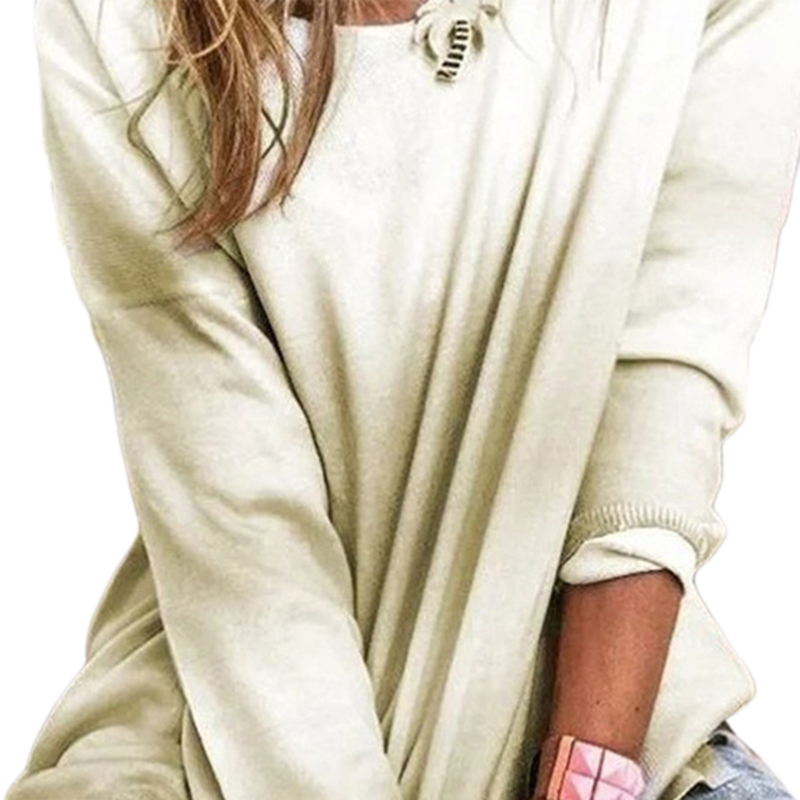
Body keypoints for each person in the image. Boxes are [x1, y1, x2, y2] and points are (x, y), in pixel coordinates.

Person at [6, 0, 800, 797]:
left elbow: (652, 433)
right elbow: (244, 522)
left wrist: (587, 782)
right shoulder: (114, 22)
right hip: (234, 732)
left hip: (593, 716)